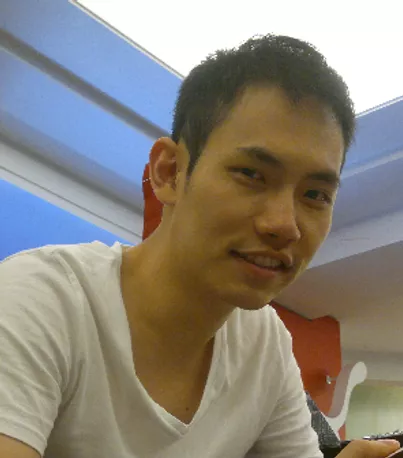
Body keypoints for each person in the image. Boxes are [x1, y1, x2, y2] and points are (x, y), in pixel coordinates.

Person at [0, 35, 400, 458]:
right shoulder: (39, 299)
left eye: (316, 195)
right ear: (169, 172)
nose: (284, 225)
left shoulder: (263, 343)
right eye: (251, 174)